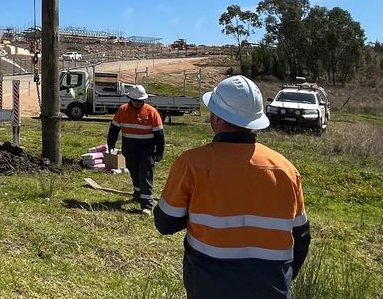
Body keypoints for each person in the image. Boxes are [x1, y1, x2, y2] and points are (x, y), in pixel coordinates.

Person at [154, 75, 311, 299]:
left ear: (217, 118)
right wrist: (284, 278)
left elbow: (165, 223)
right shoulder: (285, 170)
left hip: (209, 287)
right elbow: (302, 236)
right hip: (271, 288)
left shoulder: (191, 164)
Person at [106, 84, 164, 213]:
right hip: (130, 149)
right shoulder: (122, 110)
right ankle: (137, 194)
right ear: (130, 99)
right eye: (135, 101)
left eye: (140, 101)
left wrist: (159, 152)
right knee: (134, 172)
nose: (138, 103)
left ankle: (146, 206)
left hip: (146, 149)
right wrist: (111, 145)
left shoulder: (152, 112)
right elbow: (114, 129)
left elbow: (159, 135)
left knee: (145, 175)